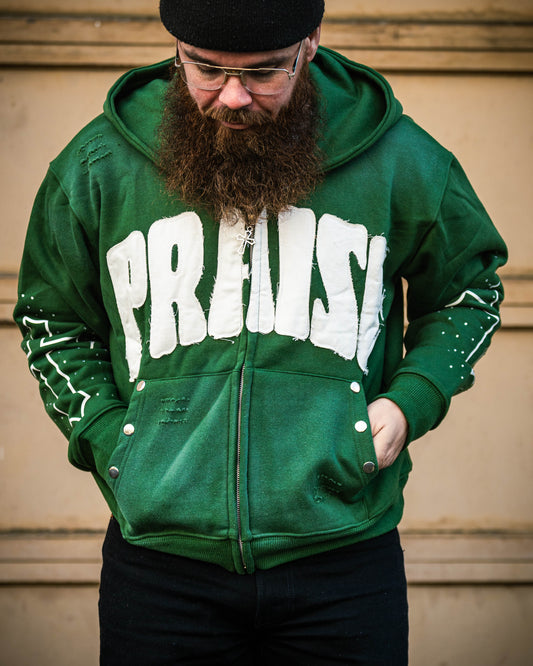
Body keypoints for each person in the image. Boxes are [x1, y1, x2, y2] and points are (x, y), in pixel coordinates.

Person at [14, 0, 507, 663]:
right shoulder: (98, 164)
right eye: (206, 69)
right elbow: (51, 317)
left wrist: (409, 401)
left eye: (264, 73)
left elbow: (469, 291)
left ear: (310, 42)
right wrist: (107, 435)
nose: (233, 96)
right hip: (160, 571)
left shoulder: (399, 157)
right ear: (176, 47)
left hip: (344, 564)